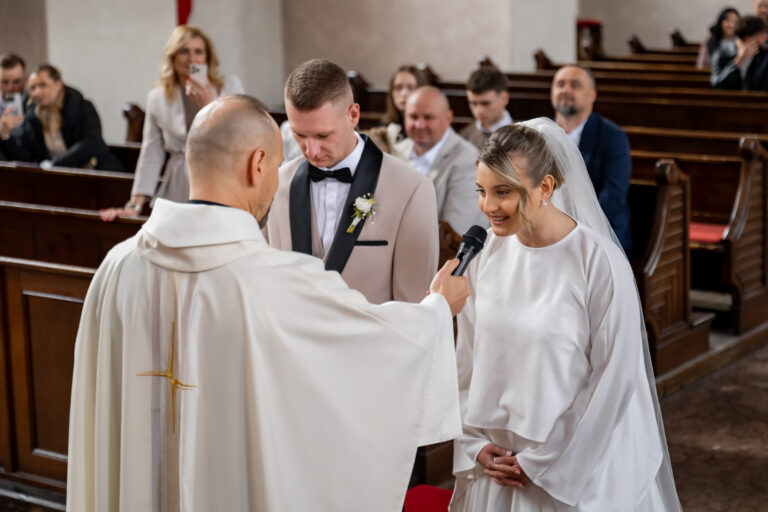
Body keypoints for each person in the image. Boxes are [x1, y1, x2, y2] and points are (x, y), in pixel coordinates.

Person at [67, 94, 468, 512]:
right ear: (257, 164)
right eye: (278, 165)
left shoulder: (115, 268)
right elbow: (372, 345)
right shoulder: (276, 280)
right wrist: (438, 310)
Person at [450, 119, 681, 511]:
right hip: (498, 463)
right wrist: (474, 444)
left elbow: (615, 376)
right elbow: (466, 360)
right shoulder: (482, 257)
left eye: (503, 192)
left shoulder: (598, 262)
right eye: (482, 191)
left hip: (576, 464)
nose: (488, 207)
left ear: (545, 187)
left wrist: (545, 462)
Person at [267, 59, 439, 304]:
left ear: (353, 115)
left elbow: (414, 308)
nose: (311, 150)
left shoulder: (413, 190)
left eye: (323, 135)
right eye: (299, 135)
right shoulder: (274, 185)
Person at [100, 25, 243, 220]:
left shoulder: (230, 87)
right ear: (173, 56)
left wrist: (209, 105)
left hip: (222, 176)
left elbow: (241, 137)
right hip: (180, 182)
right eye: (184, 51)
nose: (192, 58)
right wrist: (135, 204)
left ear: (207, 57)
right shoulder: (158, 97)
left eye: (198, 51)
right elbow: (152, 151)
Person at [551, 65, 631, 253]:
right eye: (560, 84)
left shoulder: (612, 137)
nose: (565, 90)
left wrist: (566, 229)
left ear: (592, 95)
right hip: (546, 228)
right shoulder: (536, 134)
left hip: (599, 233)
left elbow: (612, 198)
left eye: (575, 85)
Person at [396, 86, 488, 234]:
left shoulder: (468, 160)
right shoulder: (396, 151)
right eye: (413, 117)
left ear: (448, 118)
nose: (419, 125)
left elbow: (454, 232)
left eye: (428, 117)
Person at [0, 63, 122, 171]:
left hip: (96, 172)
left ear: (58, 84)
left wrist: (54, 165)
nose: (36, 92)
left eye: (43, 85)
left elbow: (91, 143)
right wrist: (5, 135)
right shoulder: (32, 117)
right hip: (59, 178)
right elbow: (26, 158)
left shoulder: (82, 107)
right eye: (32, 88)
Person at [459, 67, 512, 150]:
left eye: (485, 103)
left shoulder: (524, 137)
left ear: (504, 98)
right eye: (473, 103)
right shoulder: (463, 137)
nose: (478, 111)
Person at [711, 15, 768, 90]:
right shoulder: (725, 53)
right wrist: (739, 60)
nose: (766, 37)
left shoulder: (765, 56)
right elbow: (718, 86)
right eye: (762, 33)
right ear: (748, 37)